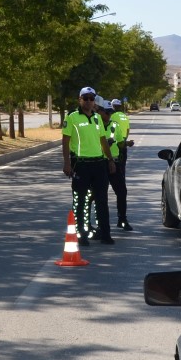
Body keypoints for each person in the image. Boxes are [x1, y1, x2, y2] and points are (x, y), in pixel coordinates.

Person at [61, 87, 114, 244]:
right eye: (86, 98)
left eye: (92, 98)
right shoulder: (72, 117)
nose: (89, 101)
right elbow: (65, 141)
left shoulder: (97, 117)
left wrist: (110, 160)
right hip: (81, 164)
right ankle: (81, 234)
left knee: (101, 200)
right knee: (80, 200)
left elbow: (103, 140)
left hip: (99, 164)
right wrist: (67, 163)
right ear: (80, 99)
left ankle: (105, 233)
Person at [107, 98, 133, 231]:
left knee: (122, 191)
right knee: (97, 195)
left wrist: (126, 143)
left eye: (109, 112)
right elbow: (127, 131)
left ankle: (122, 219)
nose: (108, 114)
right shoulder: (95, 125)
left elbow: (119, 141)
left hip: (114, 161)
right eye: (106, 112)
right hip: (99, 163)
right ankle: (93, 224)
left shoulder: (113, 124)